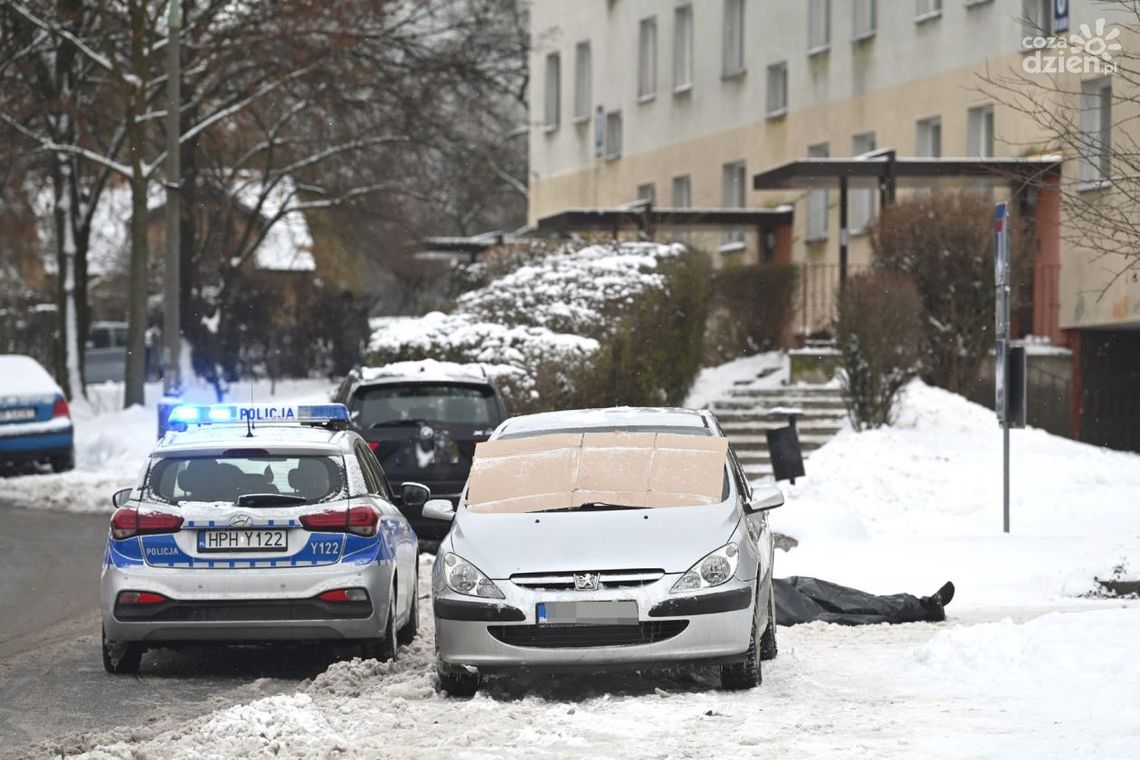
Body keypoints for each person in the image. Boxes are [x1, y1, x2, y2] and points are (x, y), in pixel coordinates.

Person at [774, 577, 955, 626]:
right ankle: (923, 610)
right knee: (835, 615)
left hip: (775, 587)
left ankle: (923, 605)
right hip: (774, 605)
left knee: (853, 599)